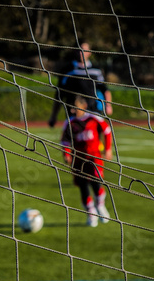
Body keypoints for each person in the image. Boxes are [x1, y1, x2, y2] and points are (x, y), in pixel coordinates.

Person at [60, 95, 112, 227]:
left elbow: (107, 131)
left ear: (84, 106)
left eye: (75, 107)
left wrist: (108, 149)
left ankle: (100, 205)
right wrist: (66, 154)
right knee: (83, 187)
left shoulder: (94, 118)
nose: (73, 110)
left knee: (96, 182)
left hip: (94, 157)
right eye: (72, 107)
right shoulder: (70, 122)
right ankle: (91, 213)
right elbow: (65, 140)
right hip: (78, 159)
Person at [48, 41, 113, 128]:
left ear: (89, 52)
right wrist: (54, 116)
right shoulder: (67, 70)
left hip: (93, 112)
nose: (81, 53)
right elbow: (59, 94)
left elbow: (104, 89)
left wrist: (108, 106)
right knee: (72, 139)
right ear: (75, 51)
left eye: (84, 50)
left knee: (94, 139)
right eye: (79, 50)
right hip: (73, 113)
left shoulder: (96, 70)